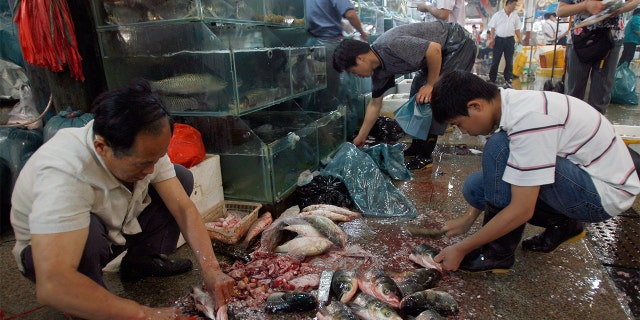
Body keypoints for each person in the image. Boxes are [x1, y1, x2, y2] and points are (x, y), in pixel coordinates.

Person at [10, 79, 234, 319]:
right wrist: (144, 314)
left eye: (156, 158)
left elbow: (182, 208)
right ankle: (85, 297)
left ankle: (140, 261)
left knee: (180, 178)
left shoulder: (142, 145)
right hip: (53, 255)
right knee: (89, 235)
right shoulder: (63, 171)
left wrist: (211, 269)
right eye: (142, 163)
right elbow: (52, 284)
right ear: (101, 147)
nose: (151, 169)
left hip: (115, 225)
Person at [428, 70, 640, 273]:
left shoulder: (529, 121)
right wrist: (469, 217)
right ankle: (564, 224)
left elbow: (523, 209)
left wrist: (462, 248)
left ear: (476, 106)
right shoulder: (509, 102)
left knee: (500, 147)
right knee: (476, 188)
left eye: (459, 124)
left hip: (603, 194)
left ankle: (497, 254)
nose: (463, 132)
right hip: (582, 175)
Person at [332, 21, 477, 170]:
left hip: (457, 44)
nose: (356, 76)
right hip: (436, 54)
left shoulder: (390, 44)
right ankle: (416, 147)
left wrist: (430, 85)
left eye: (353, 71)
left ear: (360, 58)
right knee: (417, 91)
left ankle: (425, 155)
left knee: (435, 96)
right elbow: (375, 104)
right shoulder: (379, 72)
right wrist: (362, 136)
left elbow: (434, 50)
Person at [558, 0, 640, 114]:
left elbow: (634, 1)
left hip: (611, 38)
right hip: (580, 38)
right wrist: (585, 5)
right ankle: (572, 126)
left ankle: (597, 128)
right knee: (574, 93)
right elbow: (561, 11)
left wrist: (619, 8)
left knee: (601, 93)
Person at [305, 0, 368, 111]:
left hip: (311, 43)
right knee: (335, 92)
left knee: (314, 89)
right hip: (329, 43)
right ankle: (333, 125)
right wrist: (362, 33)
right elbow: (351, 14)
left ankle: (316, 121)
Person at [487, 0, 523, 88]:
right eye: (514, 5)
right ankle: (492, 79)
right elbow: (492, 28)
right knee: (495, 60)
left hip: (510, 40)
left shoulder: (515, 16)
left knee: (509, 61)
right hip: (498, 40)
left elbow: (517, 29)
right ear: (509, 4)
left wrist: (520, 38)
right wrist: (492, 39)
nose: (515, 7)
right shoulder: (498, 15)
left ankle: (508, 79)